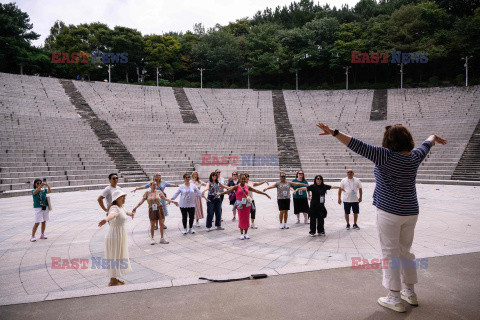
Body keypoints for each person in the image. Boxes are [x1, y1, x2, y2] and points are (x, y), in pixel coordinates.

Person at [317, 122, 447, 313]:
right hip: (411, 212)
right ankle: (409, 292)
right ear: (408, 140)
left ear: (389, 141)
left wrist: (335, 132)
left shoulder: (384, 156)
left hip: (389, 212)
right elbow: (427, 143)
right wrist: (434, 135)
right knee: (405, 251)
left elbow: (357, 145)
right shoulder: (415, 156)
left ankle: (394, 297)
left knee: (389, 252)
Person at [217, 174, 270, 239]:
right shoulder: (236, 187)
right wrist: (220, 194)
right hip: (240, 205)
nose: (243, 180)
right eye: (242, 179)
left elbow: (256, 191)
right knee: (241, 219)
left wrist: (265, 194)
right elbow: (228, 191)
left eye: (244, 179)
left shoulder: (247, 186)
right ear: (240, 179)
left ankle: (246, 233)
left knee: (247, 218)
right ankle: (241, 233)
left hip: (247, 205)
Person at [98, 189, 134, 286]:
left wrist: (131, 214)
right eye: (122, 197)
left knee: (117, 256)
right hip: (114, 236)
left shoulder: (121, 207)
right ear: (116, 199)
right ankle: (112, 280)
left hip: (120, 234)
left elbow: (125, 212)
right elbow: (112, 215)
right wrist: (105, 219)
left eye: (124, 197)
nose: (124, 198)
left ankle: (114, 278)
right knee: (114, 256)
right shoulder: (114, 208)